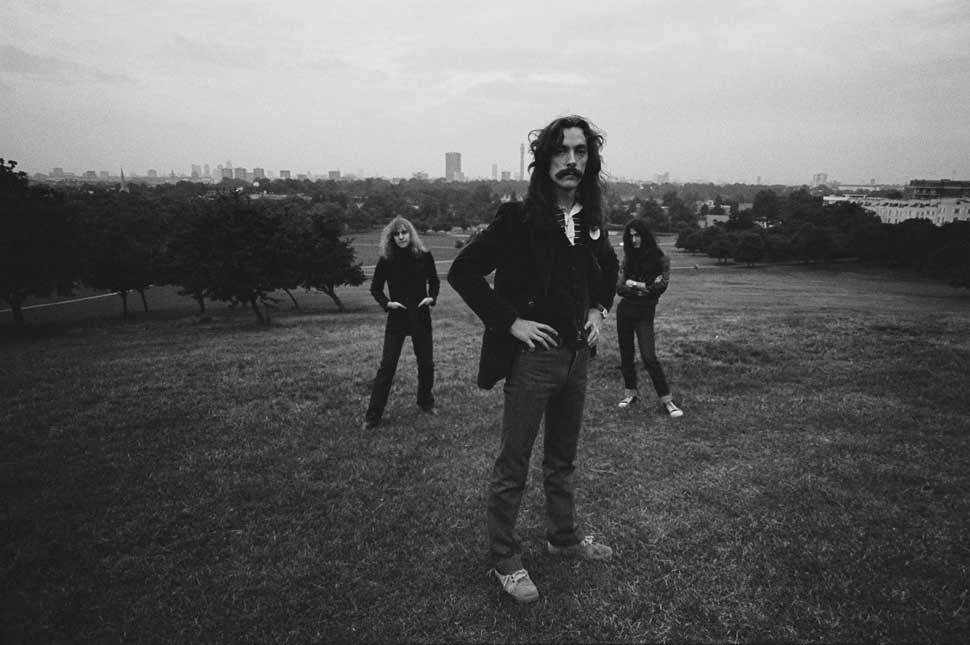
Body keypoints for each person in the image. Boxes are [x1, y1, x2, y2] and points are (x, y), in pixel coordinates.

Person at [448, 115, 619, 603]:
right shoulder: (517, 219)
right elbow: (463, 272)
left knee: (562, 459)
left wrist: (598, 310)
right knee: (514, 464)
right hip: (533, 361)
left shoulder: (589, 219)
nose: (571, 161)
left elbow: (606, 267)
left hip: (576, 358)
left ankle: (561, 539)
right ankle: (505, 558)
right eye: (561, 152)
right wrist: (510, 323)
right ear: (544, 160)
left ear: (590, 158)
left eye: (580, 152)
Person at [363, 216, 440, 430]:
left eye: (404, 232)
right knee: (387, 368)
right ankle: (373, 416)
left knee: (426, 364)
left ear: (410, 233)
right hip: (397, 318)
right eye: (396, 234)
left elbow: (434, 281)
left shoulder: (424, 256)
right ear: (391, 237)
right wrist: (388, 304)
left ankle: (425, 402)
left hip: (421, 317)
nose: (401, 236)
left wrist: (431, 298)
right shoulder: (386, 260)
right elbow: (375, 288)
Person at [615, 218, 683, 418]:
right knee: (626, 355)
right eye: (631, 236)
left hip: (645, 313)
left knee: (649, 357)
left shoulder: (661, 259)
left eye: (637, 235)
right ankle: (631, 394)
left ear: (645, 236)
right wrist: (644, 286)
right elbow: (619, 288)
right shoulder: (628, 259)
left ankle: (667, 401)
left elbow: (659, 289)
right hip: (625, 311)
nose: (634, 240)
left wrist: (633, 284)